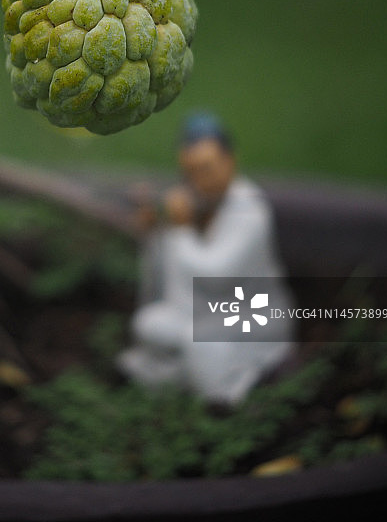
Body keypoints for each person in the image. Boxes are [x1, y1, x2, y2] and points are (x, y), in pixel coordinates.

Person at [117, 112, 296, 405]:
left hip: (247, 315)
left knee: (197, 341)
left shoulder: (251, 212)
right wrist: (155, 232)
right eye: (191, 172)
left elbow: (215, 276)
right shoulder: (195, 202)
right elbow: (166, 280)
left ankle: (220, 397)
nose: (199, 180)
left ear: (230, 160)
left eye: (207, 169)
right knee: (149, 323)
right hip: (198, 312)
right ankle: (184, 375)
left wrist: (181, 229)